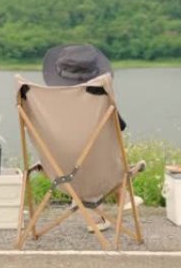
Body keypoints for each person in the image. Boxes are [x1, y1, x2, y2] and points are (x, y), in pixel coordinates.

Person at [42, 44, 143, 232]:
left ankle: (87, 207)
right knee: (104, 149)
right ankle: (122, 196)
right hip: (97, 169)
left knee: (82, 151)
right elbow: (119, 127)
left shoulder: (44, 102)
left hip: (58, 168)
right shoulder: (98, 99)